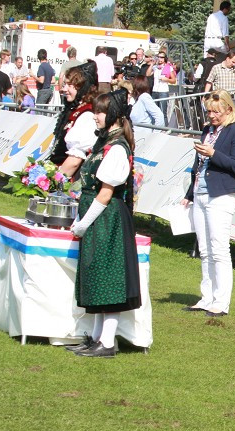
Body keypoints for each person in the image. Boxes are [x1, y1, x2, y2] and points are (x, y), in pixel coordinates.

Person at [67, 89, 141, 358]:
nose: (95, 116)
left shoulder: (117, 148)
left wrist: (84, 222)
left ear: (110, 115)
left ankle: (107, 342)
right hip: (99, 216)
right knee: (97, 276)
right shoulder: (104, 143)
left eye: (99, 111)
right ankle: (97, 338)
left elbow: (106, 192)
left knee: (109, 280)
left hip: (108, 219)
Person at [182, 90, 235, 317]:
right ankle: (207, 297)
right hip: (200, 193)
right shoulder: (207, 130)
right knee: (205, 249)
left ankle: (221, 302)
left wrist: (212, 153)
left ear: (228, 110)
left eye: (216, 111)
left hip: (220, 195)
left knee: (219, 249)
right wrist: (190, 194)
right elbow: (197, 167)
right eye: (209, 111)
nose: (211, 115)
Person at [53, 63, 100, 178]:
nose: (64, 89)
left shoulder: (87, 114)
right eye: (65, 84)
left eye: (69, 85)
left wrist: (53, 182)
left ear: (81, 87)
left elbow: (75, 160)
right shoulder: (75, 110)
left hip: (70, 180)